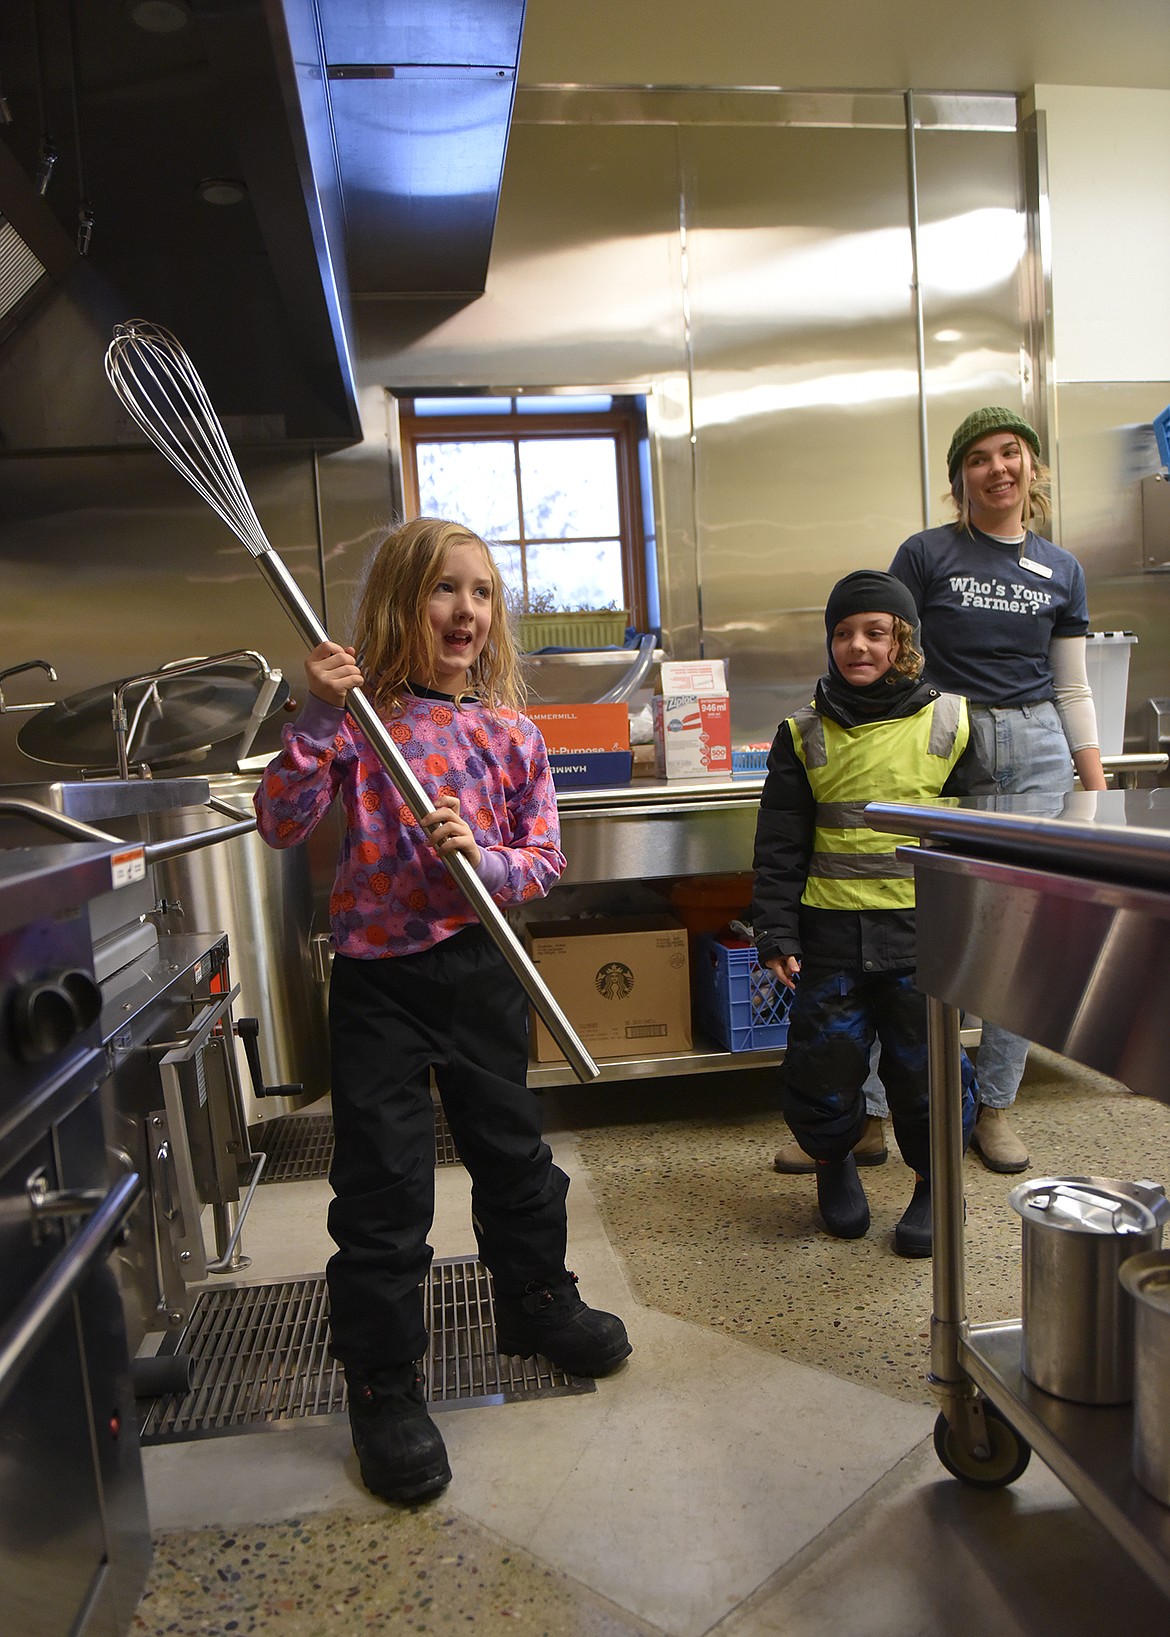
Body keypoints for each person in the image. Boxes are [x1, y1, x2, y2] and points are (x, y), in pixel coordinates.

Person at [253, 516, 630, 1506]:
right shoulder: (358, 720)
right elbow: (281, 821)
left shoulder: (512, 733)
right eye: (442, 589)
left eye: (482, 591)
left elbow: (544, 861)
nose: (465, 609)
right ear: (397, 604)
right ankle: (383, 1381)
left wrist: (487, 854)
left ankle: (539, 1296)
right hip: (379, 981)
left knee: (513, 1150)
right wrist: (317, 715)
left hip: (481, 967)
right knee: (382, 1187)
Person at [888, 406, 1107, 1173]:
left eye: (1010, 452)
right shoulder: (925, 554)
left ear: (1032, 467)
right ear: (960, 479)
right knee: (934, 934)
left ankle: (996, 1108)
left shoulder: (1062, 568)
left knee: (1023, 940)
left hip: (1040, 746)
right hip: (951, 742)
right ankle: (899, 1106)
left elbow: (1073, 688)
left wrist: (1094, 787)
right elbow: (893, 657)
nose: (997, 468)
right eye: (978, 458)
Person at [750, 570, 978, 1256]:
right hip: (829, 940)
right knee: (824, 1065)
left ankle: (935, 1180)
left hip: (923, 940)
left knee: (926, 1074)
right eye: (844, 633)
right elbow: (780, 845)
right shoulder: (804, 733)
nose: (857, 645)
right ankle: (834, 1161)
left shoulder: (953, 722)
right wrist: (774, 931)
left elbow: (983, 844)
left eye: (875, 632)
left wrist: (981, 935)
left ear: (902, 641)